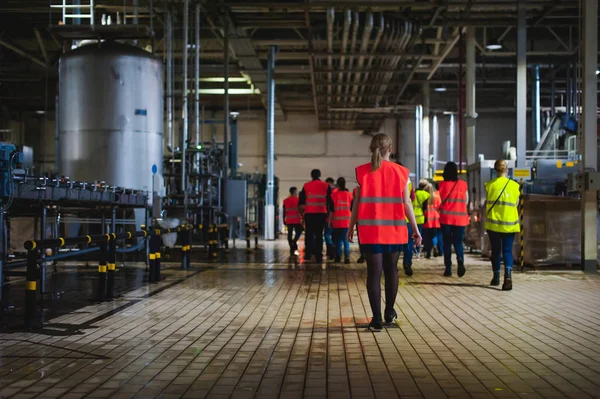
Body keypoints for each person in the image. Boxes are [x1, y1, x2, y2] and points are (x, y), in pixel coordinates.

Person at [348, 133, 421, 332]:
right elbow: (406, 203)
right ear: (390, 149)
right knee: (391, 271)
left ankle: (377, 319)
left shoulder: (362, 172)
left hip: (370, 231)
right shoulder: (401, 173)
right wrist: (415, 230)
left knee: (374, 273)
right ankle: (390, 312)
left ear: (372, 149)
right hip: (395, 231)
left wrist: (351, 226)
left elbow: (357, 203)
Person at [485, 160, 520, 290]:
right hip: (509, 224)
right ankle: (508, 276)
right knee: (507, 251)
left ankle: (496, 277)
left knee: (496, 251)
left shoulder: (489, 185)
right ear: (507, 169)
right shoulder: (515, 186)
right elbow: (516, 204)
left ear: (495, 170)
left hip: (494, 224)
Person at [439, 162, 469, 277]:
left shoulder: (442, 185)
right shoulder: (463, 185)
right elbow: (466, 201)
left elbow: (441, 199)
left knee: (447, 243)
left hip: (446, 219)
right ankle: (460, 260)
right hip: (460, 219)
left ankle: (448, 268)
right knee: (458, 242)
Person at [299, 169, 331, 263]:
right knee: (319, 235)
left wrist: (302, 215)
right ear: (320, 175)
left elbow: (301, 202)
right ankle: (319, 256)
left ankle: (308, 254)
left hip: (309, 213)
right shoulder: (326, 185)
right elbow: (330, 201)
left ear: (311, 175)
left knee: (309, 234)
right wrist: (329, 214)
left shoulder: (306, 186)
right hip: (321, 213)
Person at [328, 177, 353, 264]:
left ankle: (338, 257)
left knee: (338, 241)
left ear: (337, 185)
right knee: (346, 241)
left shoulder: (333, 195)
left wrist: (330, 221)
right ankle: (347, 258)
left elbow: (331, 210)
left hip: (337, 222)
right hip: (347, 222)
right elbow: (352, 209)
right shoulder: (350, 195)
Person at [400, 167, 418, 276]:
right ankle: (407, 263)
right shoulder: (408, 182)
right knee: (408, 243)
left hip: (395, 219)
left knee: (395, 244)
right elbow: (412, 198)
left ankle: (392, 266)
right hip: (407, 218)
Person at [423, 180, 442, 258]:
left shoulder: (425, 197)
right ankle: (435, 246)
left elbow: (423, 208)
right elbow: (440, 207)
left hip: (427, 219)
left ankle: (428, 252)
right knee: (434, 235)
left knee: (427, 237)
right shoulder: (437, 197)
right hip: (435, 218)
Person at [283, 187, 302, 255]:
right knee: (299, 232)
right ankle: (294, 242)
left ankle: (292, 247)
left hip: (289, 219)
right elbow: (300, 209)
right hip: (296, 219)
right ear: (294, 192)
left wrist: (283, 219)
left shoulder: (286, 200)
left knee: (289, 234)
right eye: (296, 191)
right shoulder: (298, 200)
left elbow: (284, 211)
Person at [324, 177, 337, 260]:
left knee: (327, 234)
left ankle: (331, 250)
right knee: (333, 235)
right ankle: (332, 252)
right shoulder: (338, 192)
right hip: (338, 218)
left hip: (329, 216)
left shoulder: (330, 193)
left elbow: (329, 206)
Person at [353, 186, 366, 264]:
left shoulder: (356, 189)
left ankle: (363, 255)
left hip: (361, 218)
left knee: (362, 239)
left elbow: (354, 204)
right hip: (374, 218)